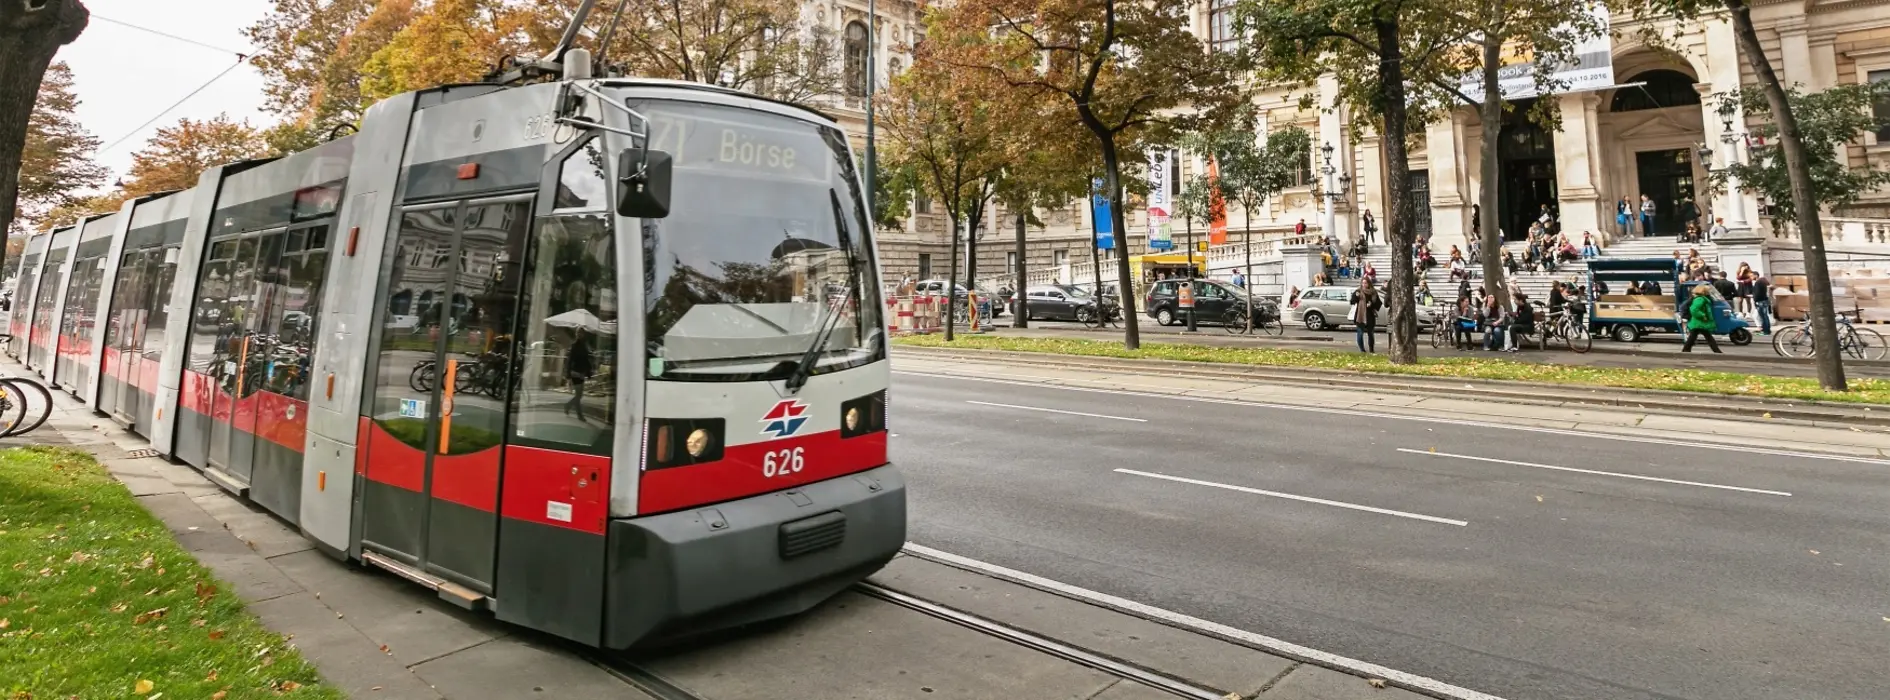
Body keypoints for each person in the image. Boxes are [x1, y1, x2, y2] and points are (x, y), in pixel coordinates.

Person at [1681, 284, 1723, 353]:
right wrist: (1703, 315)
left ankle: (1686, 349)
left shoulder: (1700, 298)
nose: (1709, 292)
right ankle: (1717, 351)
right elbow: (1694, 309)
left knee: (1693, 337)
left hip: (1698, 321)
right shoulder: (1700, 299)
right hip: (1700, 321)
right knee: (1708, 337)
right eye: (1707, 290)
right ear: (1703, 291)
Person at [564, 328, 595, 418]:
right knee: (578, 395)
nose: (580, 334)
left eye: (581, 333)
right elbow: (569, 360)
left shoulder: (584, 345)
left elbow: (586, 360)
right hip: (575, 372)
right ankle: (579, 414)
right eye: (578, 333)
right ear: (576, 334)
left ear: (584, 334)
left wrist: (589, 373)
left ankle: (568, 406)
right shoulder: (574, 346)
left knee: (579, 395)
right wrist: (568, 375)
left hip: (582, 372)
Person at [1350, 278, 1383, 353]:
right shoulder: (1358, 291)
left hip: (1369, 315)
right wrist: (1356, 296)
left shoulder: (1373, 292)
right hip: (1360, 315)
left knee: (1370, 334)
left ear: (1369, 284)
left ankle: (1371, 349)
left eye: (1366, 283)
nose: (1364, 285)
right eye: (1363, 283)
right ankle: (1362, 350)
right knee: (1360, 333)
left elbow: (1378, 304)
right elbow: (1352, 301)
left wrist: (1371, 304)